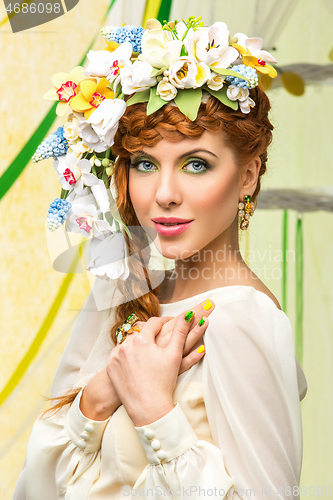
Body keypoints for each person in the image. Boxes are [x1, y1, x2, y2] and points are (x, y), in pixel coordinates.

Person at [13, 17, 307, 500]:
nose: (164, 194)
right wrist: (101, 394)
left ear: (248, 176)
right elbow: (37, 487)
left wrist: (153, 410)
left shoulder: (242, 322)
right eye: (145, 164)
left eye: (196, 164)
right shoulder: (124, 291)